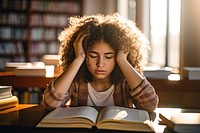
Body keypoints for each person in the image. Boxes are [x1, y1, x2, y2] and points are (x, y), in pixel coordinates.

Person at [43, 13, 159, 112]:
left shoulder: (126, 80)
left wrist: (122, 61)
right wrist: (78, 58)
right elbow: (50, 104)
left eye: (108, 57)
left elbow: (150, 105)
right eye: (93, 56)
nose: (100, 64)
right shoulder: (76, 80)